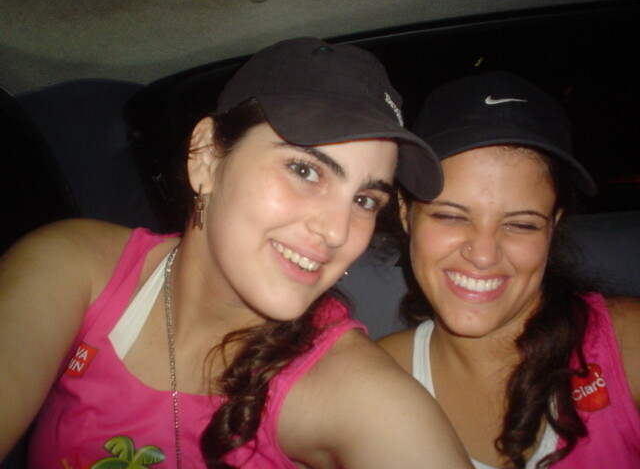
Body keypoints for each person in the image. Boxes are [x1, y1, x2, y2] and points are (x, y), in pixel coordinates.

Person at [0, 37, 473, 469]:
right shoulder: (74, 267)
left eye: (365, 200)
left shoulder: (350, 389)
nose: (337, 231)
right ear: (207, 156)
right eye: (305, 171)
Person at [379, 71, 640, 468]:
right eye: (451, 216)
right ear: (405, 213)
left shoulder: (627, 344)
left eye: (521, 224)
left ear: (552, 227)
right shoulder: (373, 376)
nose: (484, 255)